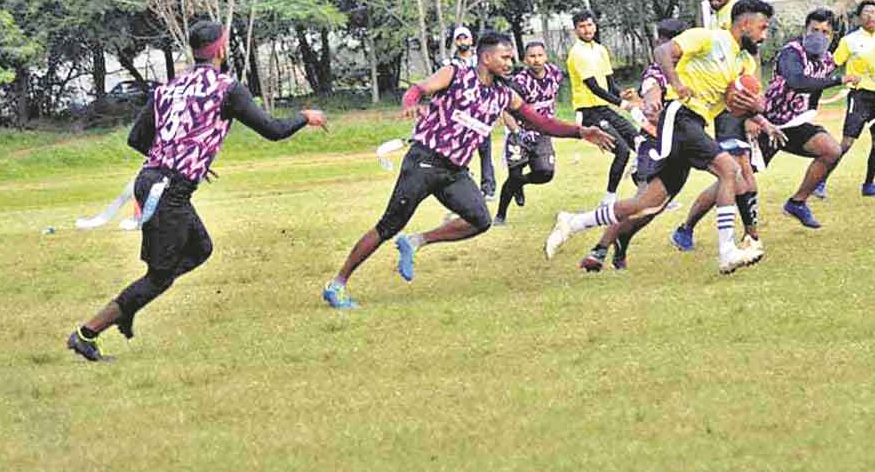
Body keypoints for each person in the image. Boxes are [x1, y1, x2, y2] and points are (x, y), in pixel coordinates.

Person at [67, 20, 327, 362]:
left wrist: (187, 159)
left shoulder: (168, 87)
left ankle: (130, 304)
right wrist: (305, 116)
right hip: (167, 190)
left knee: (201, 248)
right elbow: (273, 130)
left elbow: (137, 139)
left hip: (155, 181)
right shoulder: (227, 88)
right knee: (159, 278)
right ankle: (87, 333)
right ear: (220, 49)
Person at [323, 32, 614, 308]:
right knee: (388, 225)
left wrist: (580, 132)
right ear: (486, 58)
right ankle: (337, 284)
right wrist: (411, 104)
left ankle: (415, 241)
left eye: (512, 58)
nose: (510, 63)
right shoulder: (457, 73)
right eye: (505, 57)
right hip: (425, 161)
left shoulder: (504, 95)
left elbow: (541, 123)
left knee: (480, 220)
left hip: (454, 171)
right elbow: (418, 89)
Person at [545, 0, 774, 275]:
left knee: (648, 204)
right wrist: (676, 82)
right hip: (680, 116)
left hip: (696, 124)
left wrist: (756, 109)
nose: (764, 35)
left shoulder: (745, 61)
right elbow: (663, 51)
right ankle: (726, 251)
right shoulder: (708, 38)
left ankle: (574, 222)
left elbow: (751, 101)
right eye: (762, 27)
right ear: (745, 24)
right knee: (730, 169)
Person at [580, 18, 688, 271]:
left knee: (652, 209)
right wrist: (649, 104)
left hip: (678, 148)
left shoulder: (687, 69)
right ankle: (598, 250)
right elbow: (652, 96)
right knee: (642, 203)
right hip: (654, 147)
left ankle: (621, 242)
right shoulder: (656, 71)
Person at [670, 0, 762, 253]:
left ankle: (689, 230)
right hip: (720, 110)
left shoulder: (736, 17)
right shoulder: (713, 20)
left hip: (733, 107)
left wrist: (752, 112)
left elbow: (749, 65)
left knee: (738, 177)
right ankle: (749, 238)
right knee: (738, 175)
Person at [754, 8, 859, 228]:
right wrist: (839, 81)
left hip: (794, 124)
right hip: (769, 123)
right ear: (805, 30)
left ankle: (797, 203)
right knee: (736, 178)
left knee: (831, 150)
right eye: (814, 30)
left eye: (825, 32)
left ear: (832, 36)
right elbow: (797, 81)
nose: (819, 36)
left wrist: (809, 111)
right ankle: (687, 227)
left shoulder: (828, 61)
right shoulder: (791, 52)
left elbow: (814, 89)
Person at [825, 0, 875, 197]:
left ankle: (869, 185)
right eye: (866, 12)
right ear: (859, 18)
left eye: (874, 12)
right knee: (846, 143)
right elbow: (832, 64)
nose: (871, 16)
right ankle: (819, 182)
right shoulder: (849, 40)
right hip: (859, 96)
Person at [566, 11, 639, 205]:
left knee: (640, 143)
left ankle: (647, 194)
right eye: (582, 26)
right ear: (576, 30)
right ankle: (608, 199)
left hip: (604, 108)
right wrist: (622, 104)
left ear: (595, 26)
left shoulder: (600, 50)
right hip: (589, 112)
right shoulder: (577, 53)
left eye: (589, 25)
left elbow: (609, 84)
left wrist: (621, 94)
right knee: (622, 152)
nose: (587, 29)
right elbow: (593, 87)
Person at [494, 41, 563, 225]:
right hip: (520, 132)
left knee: (546, 173)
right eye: (532, 56)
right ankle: (500, 215)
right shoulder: (519, 82)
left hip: (542, 132)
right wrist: (517, 132)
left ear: (546, 57)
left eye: (540, 55)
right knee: (514, 175)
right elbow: (506, 110)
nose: (536, 60)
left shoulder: (555, 74)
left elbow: (551, 98)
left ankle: (520, 184)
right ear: (525, 60)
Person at [445, 26, 499, 200]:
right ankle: (465, 186)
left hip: (481, 115)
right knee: (461, 153)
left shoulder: (481, 61)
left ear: (471, 40)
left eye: (465, 38)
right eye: (459, 39)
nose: (463, 42)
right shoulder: (450, 65)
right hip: (461, 118)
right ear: (455, 42)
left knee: (485, 152)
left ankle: (488, 188)